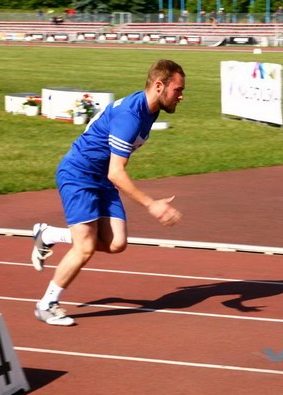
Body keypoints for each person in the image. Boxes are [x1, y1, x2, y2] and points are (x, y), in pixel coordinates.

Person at [30, 60, 186, 326]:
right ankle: (47, 304)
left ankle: (49, 235)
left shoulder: (150, 109)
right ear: (159, 86)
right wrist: (151, 205)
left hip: (100, 177)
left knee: (116, 243)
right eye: (178, 90)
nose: (181, 96)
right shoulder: (131, 116)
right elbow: (117, 172)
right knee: (85, 247)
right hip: (79, 174)